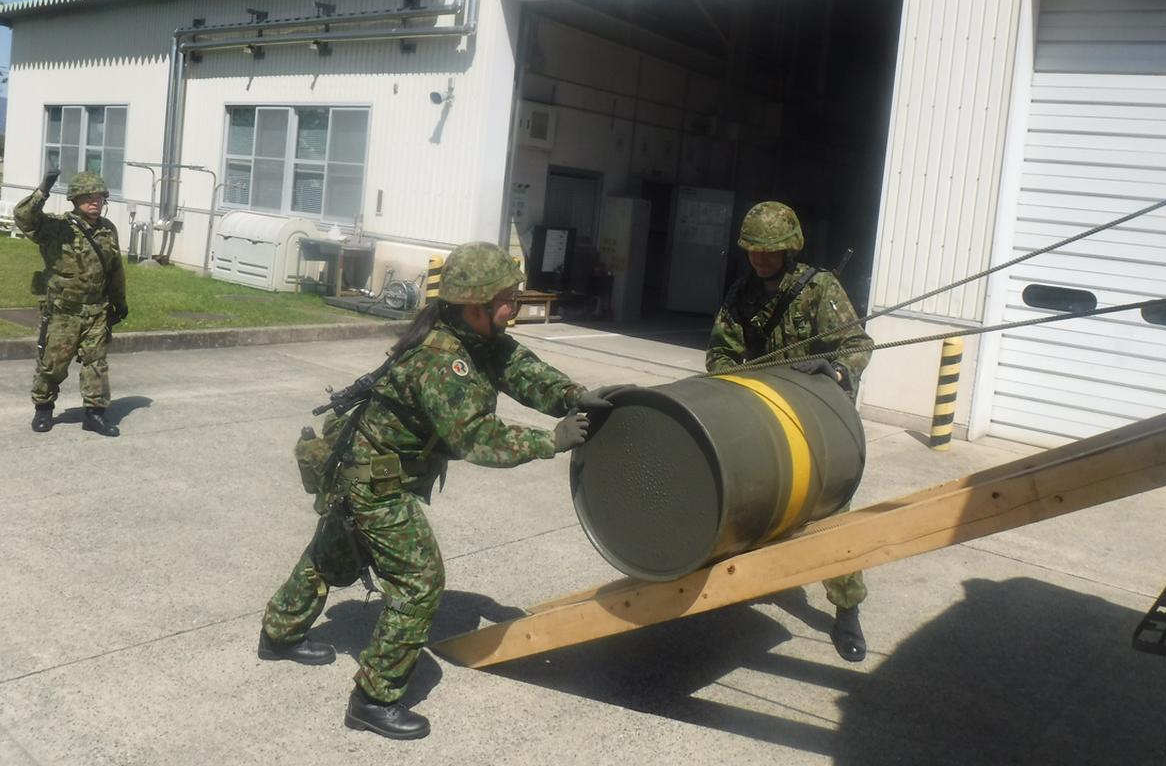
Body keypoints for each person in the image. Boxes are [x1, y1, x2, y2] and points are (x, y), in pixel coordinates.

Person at [259, 241, 626, 741]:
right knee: (418, 582)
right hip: (375, 481)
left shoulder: (476, 337)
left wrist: (570, 395)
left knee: (332, 556)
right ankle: (374, 698)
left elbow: (518, 367)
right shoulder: (442, 361)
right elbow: (477, 439)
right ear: (476, 305)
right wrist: (550, 439)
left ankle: (279, 634)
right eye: (508, 300)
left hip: (372, 471)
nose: (514, 308)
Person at [706, 201, 874, 663]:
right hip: (766, 415)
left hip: (819, 415)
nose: (760, 260)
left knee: (831, 518)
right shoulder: (741, 295)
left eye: (769, 252)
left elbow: (859, 343)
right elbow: (719, 355)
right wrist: (738, 384)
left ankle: (847, 609)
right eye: (754, 252)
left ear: (789, 250)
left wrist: (835, 371)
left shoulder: (819, 290)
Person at [15, 169, 128, 437]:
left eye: (99, 197)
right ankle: (43, 409)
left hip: (96, 311)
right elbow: (24, 219)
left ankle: (94, 414)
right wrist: (42, 191)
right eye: (87, 197)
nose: (94, 202)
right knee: (53, 364)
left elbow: (115, 270)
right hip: (63, 312)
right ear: (74, 199)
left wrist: (119, 302)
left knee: (96, 364)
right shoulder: (57, 228)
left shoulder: (107, 230)